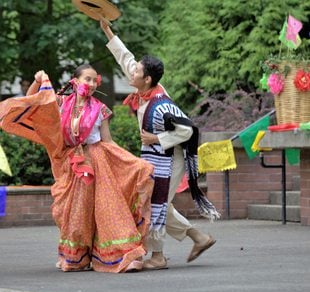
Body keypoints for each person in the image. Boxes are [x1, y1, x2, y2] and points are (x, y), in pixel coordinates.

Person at [0, 65, 154, 273]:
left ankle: (122, 254)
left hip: (97, 162)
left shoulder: (100, 109)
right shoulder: (60, 102)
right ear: (75, 80)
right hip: (69, 164)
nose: (91, 84)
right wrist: (38, 82)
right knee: (74, 212)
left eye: (94, 81)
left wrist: (132, 162)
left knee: (108, 208)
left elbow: (108, 142)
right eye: (87, 79)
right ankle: (76, 257)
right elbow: (32, 103)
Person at [100, 21, 220, 270]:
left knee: (157, 204)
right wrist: (109, 33)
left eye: (136, 72)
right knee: (158, 203)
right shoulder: (144, 88)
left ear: (148, 79)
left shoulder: (161, 102)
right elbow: (127, 59)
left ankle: (158, 257)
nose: (131, 73)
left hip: (169, 158)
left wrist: (157, 139)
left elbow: (187, 130)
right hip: (155, 156)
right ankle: (199, 237)